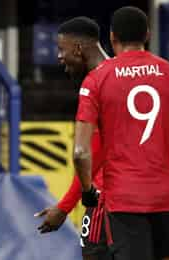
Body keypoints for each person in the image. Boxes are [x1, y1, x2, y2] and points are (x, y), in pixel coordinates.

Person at [73, 6, 169, 260]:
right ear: (147, 35)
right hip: (167, 196)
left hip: (123, 199)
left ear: (112, 37)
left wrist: (88, 190)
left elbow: (80, 151)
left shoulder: (96, 80)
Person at [34, 16, 112, 260]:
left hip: (107, 200)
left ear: (78, 48)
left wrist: (64, 207)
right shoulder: (123, 76)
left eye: (61, 49)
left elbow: (92, 154)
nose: (59, 56)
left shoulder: (96, 83)